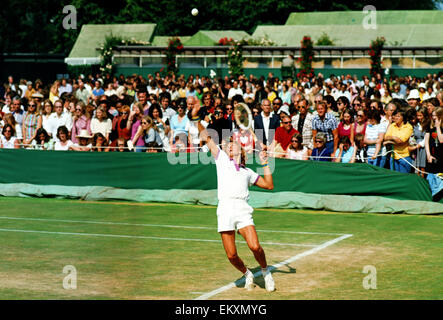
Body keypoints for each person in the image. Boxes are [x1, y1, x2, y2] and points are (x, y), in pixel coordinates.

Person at [190, 102, 276, 293]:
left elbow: (269, 185)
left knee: (255, 247)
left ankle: (265, 271)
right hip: (225, 209)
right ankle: (247, 273)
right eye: (227, 145)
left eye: (233, 145)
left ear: (241, 152)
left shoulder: (247, 172)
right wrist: (196, 118)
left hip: (243, 209)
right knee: (231, 255)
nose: (229, 147)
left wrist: (265, 163)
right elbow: (206, 136)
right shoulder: (220, 159)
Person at [384, 109, 414, 173]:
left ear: (403, 118)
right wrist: (393, 138)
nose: (395, 118)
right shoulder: (392, 125)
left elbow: (401, 141)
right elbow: (386, 137)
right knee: (394, 177)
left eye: (398, 116)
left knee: (404, 177)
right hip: (393, 155)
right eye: (395, 116)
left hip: (404, 156)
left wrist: (390, 141)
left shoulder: (408, 127)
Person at [424, 107, 443, 174]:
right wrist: (428, 155)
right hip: (432, 154)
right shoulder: (430, 125)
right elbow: (426, 141)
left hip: (441, 155)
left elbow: (441, 140)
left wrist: (438, 127)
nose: (433, 117)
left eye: (435, 115)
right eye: (432, 115)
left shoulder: (441, 126)